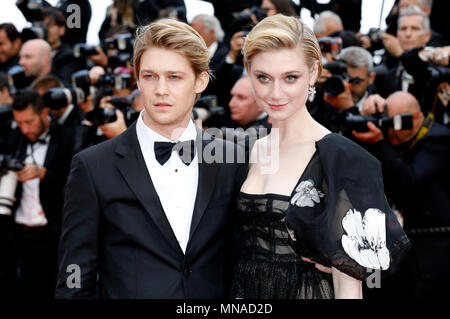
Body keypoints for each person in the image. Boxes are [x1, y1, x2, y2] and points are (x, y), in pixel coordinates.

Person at [55, 18, 244, 299]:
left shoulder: (231, 160)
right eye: (150, 76)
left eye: (174, 77)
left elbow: (241, 261)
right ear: (137, 79)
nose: (161, 90)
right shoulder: (93, 167)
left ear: (200, 80)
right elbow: (74, 277)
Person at [230, 14, 411, 299]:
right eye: (263, 77)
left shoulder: (343, 158)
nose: (276, 93)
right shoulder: (244, 150)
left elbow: (348, 287)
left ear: (313, 72)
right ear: (248, 72)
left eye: (291, 77)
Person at [352, 91, 450, 299]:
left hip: (432, 256)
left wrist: (380, 142)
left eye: (399, 123)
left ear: (416, 118)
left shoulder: (438, 140)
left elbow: (409, 180)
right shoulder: (396, 140)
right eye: (388, 123)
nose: (392, 132)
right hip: (399, 252)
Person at [6, 88, 74, 299]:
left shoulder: (66, 137)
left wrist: (43, 174)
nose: (24, 129)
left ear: (45, 113)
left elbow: (75, 184)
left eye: (29, 122)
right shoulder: (15, 137)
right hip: (19, 231)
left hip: (52, 231)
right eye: (20, 123)